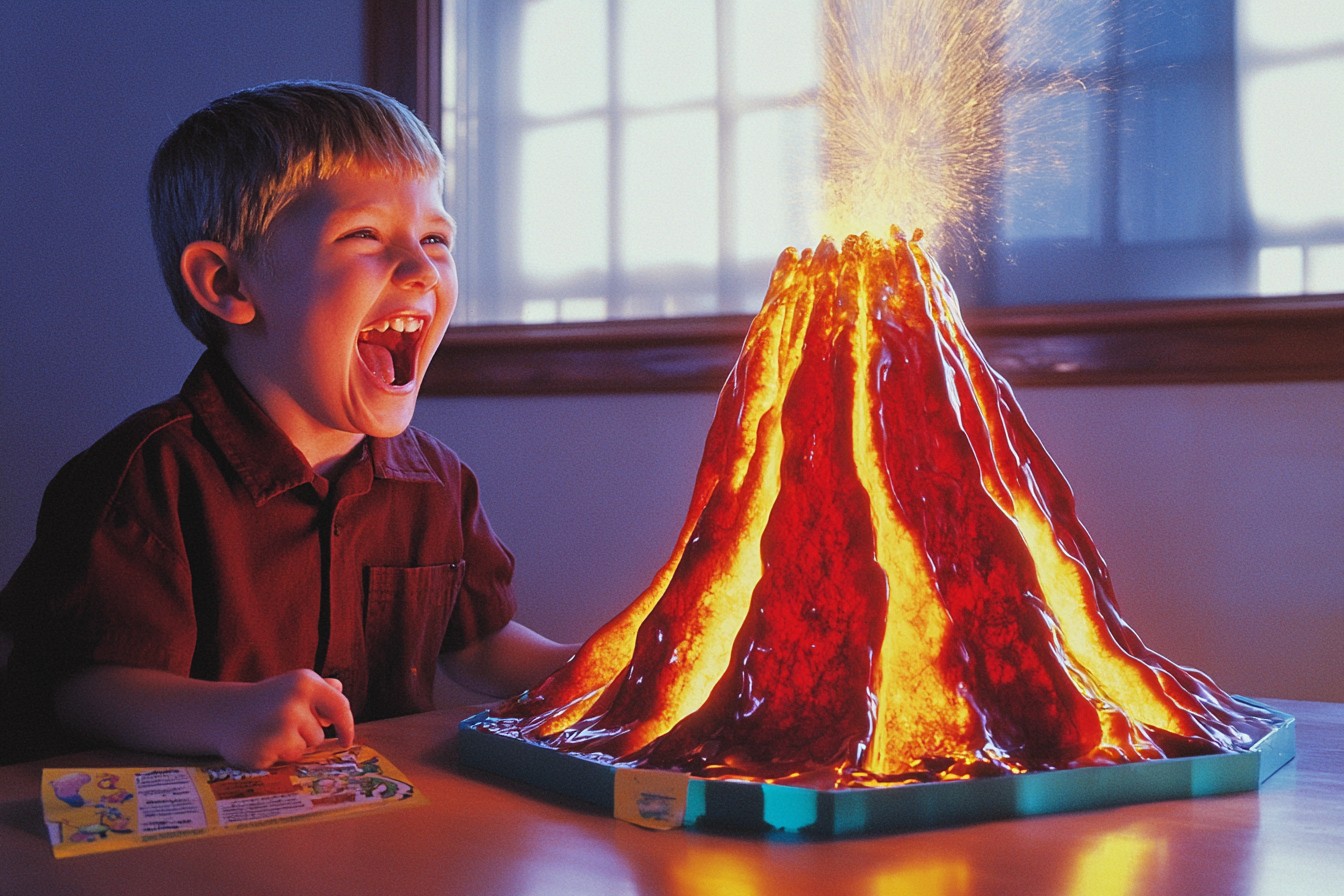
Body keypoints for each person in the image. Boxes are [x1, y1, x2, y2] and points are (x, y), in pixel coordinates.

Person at [0, 81, 577, 769]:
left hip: (378, 837)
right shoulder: (146, 477)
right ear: (228, 285)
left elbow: (479, 644)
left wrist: (603, 666)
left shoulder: (439, 483)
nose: (422, 268)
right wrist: (223, 715)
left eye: (435, 237)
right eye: (365, 234)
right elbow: (80, 688)